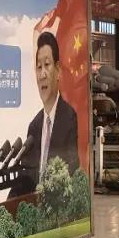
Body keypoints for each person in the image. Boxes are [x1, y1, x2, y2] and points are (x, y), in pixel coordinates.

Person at [22, 31, 80, 187]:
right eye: (38, 67)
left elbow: (72, 168)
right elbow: (26, 176)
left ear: (58, 70)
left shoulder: (68, 117)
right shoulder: (34, 126)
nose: (42, 74)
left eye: (47, 65)